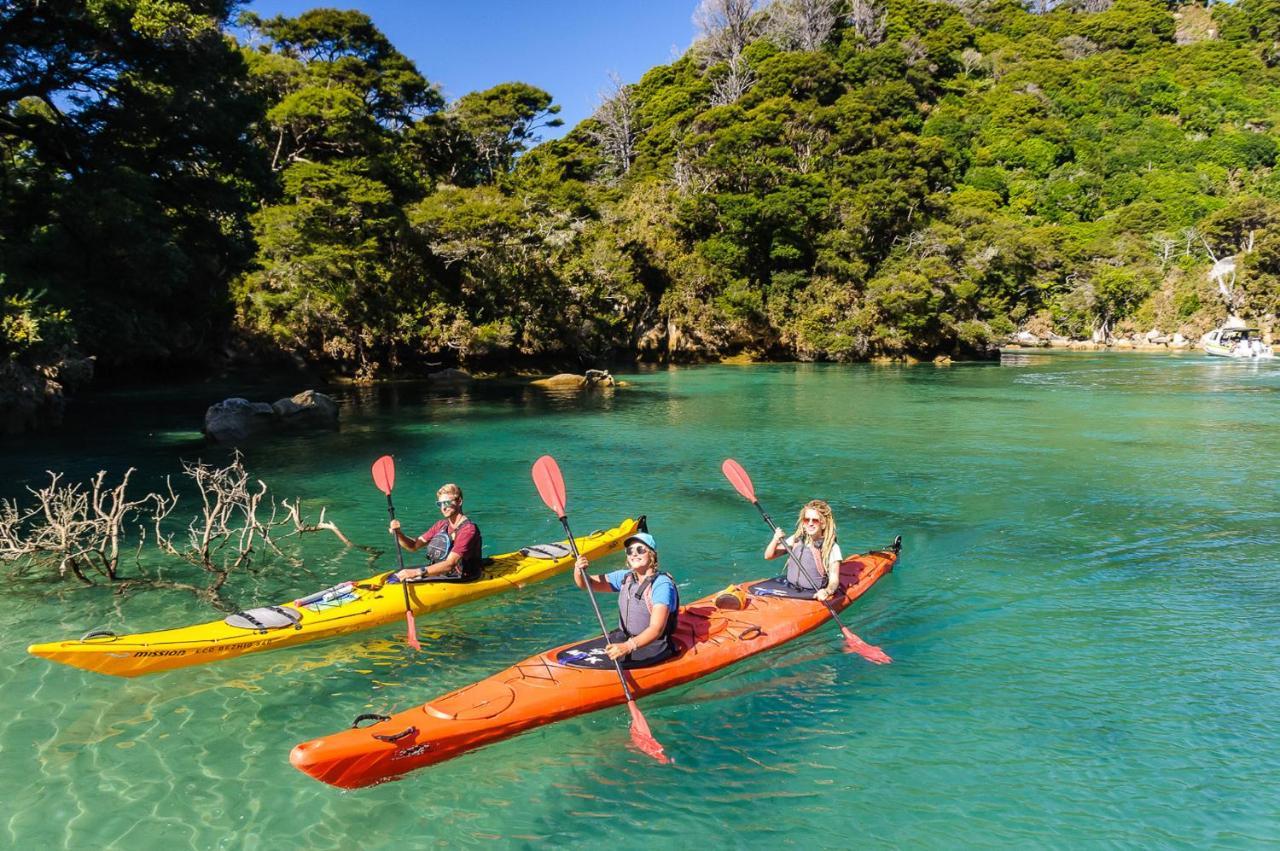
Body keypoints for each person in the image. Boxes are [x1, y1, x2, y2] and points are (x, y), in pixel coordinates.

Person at [573, 531, 679, 667]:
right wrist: (578, 570)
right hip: (624, 636)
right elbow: (587, 584)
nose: (634, 553)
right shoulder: (625, 577)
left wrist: (627, 647)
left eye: (640, 549)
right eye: (630, 551)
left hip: (653, 645)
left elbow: (656, 629)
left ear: (652, 555)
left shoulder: (661, 585)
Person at [391, 483, 483, 582]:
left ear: (459, 501)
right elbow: (413, 546)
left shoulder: (468, 529)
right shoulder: (441, 525)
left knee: (407, 577)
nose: (443, 508)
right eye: (440, 504)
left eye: (447, 503)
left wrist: (415, 572)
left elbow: (450, 564)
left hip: (463, 577)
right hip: (444, 573)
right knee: (393, 578)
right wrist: (399, 534)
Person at [764, 499, 843, 601]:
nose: (810, 523)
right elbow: (769, 556)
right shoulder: (796, 539)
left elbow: (834, 579)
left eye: (815, 520)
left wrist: (827, 591)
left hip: (813, 593)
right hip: (790, 588)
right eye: (807, 520)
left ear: (823, 524)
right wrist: (775, 539)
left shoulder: (831, 547)